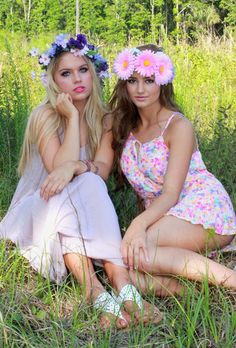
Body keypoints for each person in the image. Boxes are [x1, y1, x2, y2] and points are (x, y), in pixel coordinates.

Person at [0, 35, 162, 329]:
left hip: (86, 201)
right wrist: (72, 118)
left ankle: (112, 291)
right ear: (53, 80)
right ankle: (104, 289)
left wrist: (77, 165)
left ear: (94, 73)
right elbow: (58, 174)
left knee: (89, 182)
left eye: (83, 70)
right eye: (66, 73)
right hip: (41, 207)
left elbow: (100, 170)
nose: (77, 79)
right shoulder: (44, 116)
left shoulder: (106, 119)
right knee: (78, 189)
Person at [110, 44, 236, 296]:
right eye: (133, 81)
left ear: (163, 81)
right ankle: (198, 294)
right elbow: (144, 191)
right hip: (165, 217)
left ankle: (231, 282)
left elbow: (170, 193)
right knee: (129, 272)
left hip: (201, 206)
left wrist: (137, 226)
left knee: (139, 251)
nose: (140, 89)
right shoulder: (126, 126)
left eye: (149, 80)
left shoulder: (178, 126)